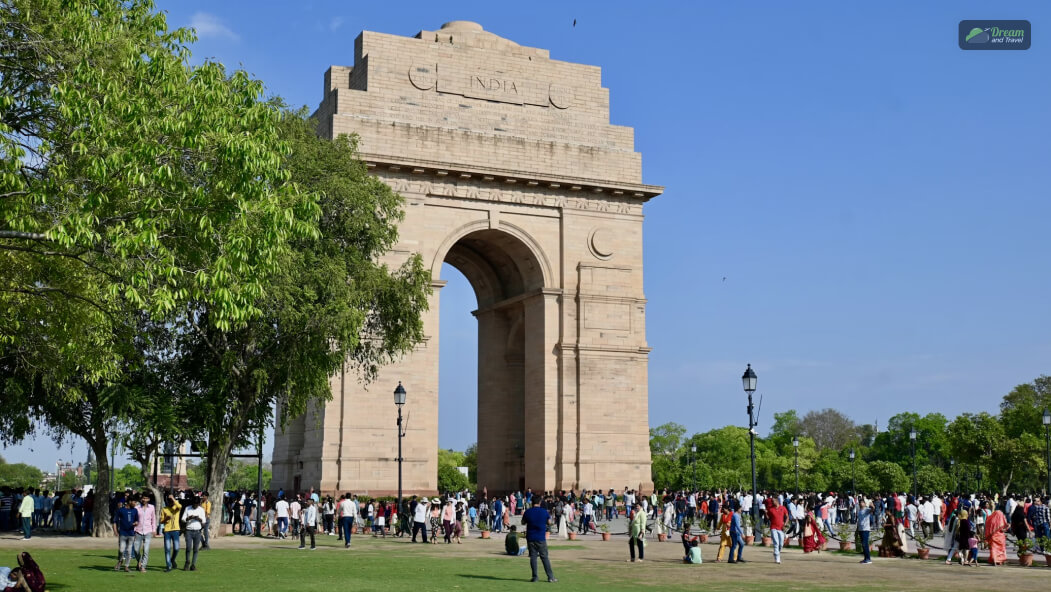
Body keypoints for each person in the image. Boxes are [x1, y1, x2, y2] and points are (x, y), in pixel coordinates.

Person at [521, 497, 556, 583]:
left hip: (530, 537)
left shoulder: (528, 512)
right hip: (540, 538)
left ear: (532, 502)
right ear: (540, 502)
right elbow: (549, 522)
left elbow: (523, 522)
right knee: (544, 557)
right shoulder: (544, 512)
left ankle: (535, 577)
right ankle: (550, 577)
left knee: (533, 557)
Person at [113, 497, 138, 572]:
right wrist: (115, 531)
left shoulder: (135, 510)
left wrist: (136, 523)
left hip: (131, 534)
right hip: (123, 533)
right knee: (121, 550)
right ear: (129, 501)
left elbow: (137, 520)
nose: (135, 504)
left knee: (129, 551)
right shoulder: (121, 510)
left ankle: (127, 566)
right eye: (134, 502)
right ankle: (120, 560)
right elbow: (115, 521)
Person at [181, 497, 206, 571]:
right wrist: (189, 518)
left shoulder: (201, 510)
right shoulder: (187, 508)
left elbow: (204, 522)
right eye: (194, 504)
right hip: (189, 530)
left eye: (197, 504)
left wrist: (199, 519)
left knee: (196, 549)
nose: (195, 506)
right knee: (188, 547)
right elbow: (183, 519)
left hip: (197, 531)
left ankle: (193, 564)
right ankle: (187, 562)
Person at [133, 494, 157, 572]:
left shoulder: (152, 507)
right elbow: (134, 519)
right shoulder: (137, 508)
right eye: (143, 498)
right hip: (138, 530)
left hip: (148, 530)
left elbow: (153, 519)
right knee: (136, 550)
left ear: (148, 499)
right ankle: (139, 561)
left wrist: (154, 529)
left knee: (146, 550)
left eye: (146, 498)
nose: (144, 499)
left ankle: (143, 566)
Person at [161, 495, 182, 572]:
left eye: (172, 502)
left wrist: (173, 498)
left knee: (176, 548)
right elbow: (161, 521)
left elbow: (180, 506)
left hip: (176, 530)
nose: (171, 503)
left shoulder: (176, 508)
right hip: (167, 531)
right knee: (167, 549)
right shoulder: (164, 509)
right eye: (170, 502)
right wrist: (166, 519)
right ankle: (168, 566)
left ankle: (172, 559)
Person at [768, 497, 789, 564]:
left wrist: (785, 523)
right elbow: (768, 517)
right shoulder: (771, 509)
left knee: (781, 544)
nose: (772, 502)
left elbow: (787, 516)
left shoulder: (783, 508)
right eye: (772, 501)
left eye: (773, 501)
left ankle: (776, 553)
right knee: (776, 542)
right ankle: (777, 558)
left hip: (781, 528)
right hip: (773, 527)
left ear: (777, 501)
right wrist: (766, 513)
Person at [856, 499, 872, 564]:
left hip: (865, 529)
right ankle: (865, 558)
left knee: (865, 544)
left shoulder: (866, 510)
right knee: (863, 544)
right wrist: (857, 529)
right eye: (860, 502)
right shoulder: (859, 511)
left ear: (865, 504)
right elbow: (859, 521)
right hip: (860, 529)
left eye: (862, 502)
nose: (861, 503)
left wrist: (872, 506)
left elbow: (872, 510)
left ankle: (868, 559)